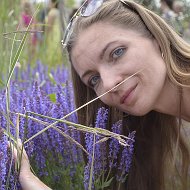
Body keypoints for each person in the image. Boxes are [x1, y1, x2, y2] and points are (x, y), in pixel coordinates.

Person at [16, 0, 190, 189]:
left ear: (155, 38)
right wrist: (28, 179)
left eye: (117, 53)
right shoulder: (152, 132)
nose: (108, 84)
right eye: (94, 79)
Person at [44, 0, 62, 66]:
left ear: (54, 3)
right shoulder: (59, 12)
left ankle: (52, 68)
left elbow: (49, 26)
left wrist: (46, 37)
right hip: (58, 34)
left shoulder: (52, 12)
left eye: (49, 2)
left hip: (52, 35)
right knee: (58, 53)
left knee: (52, 52)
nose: (48, 3)